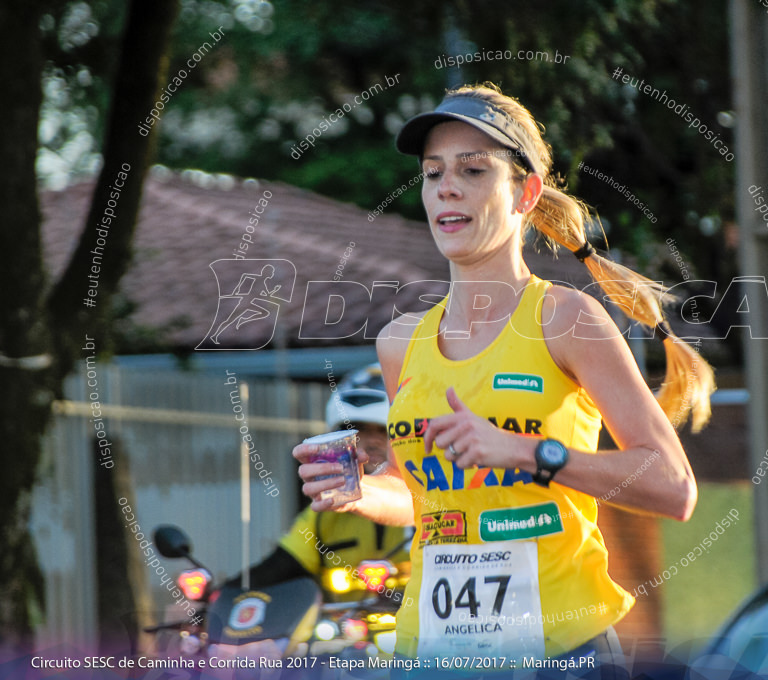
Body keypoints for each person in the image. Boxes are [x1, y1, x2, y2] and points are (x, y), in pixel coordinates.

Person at [293, 83, 715, 676]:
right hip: (433, 652)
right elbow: (423, 497)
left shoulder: (566, 318)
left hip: (561, 652)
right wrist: (362, 492)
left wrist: (525, 452)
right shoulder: (400, 342)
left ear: (526, 193)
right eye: (432, 172)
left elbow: (673, 487)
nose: (446, 186)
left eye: (473, 169)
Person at [226, 366, 408, 592]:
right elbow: (280, 566)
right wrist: (220, 596)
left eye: (384, 430)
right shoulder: (327, 510)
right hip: (342, 626)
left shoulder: (432, 499)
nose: (372, 442)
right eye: (358, 430)